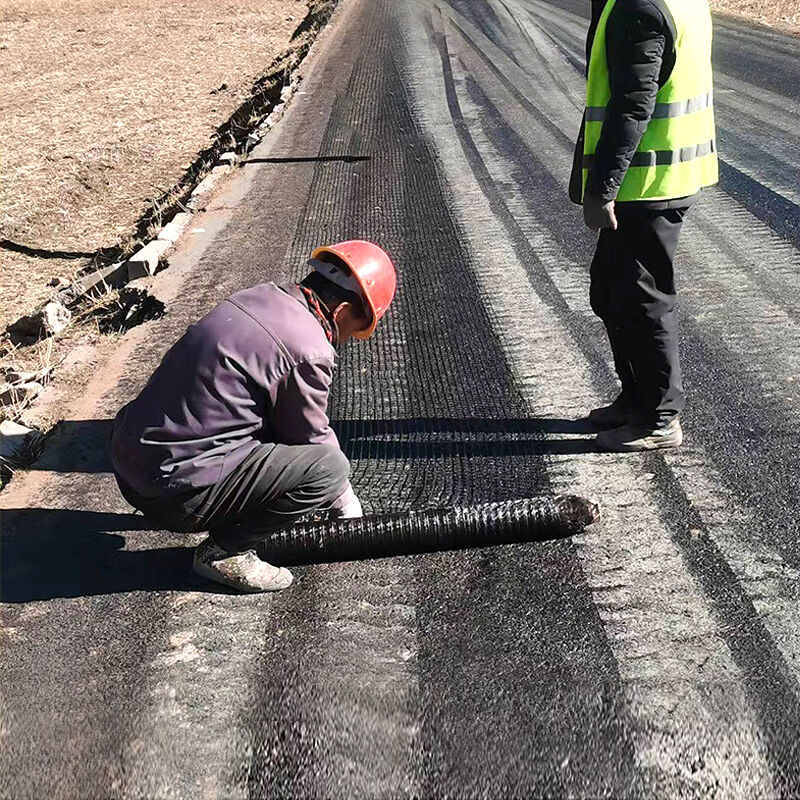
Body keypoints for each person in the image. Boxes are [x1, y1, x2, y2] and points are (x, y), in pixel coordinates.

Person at [110, 240, 397, 592]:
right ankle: (225, 552)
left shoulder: (258, 297)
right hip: (174, 496)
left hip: (128, 464)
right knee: (328, 468)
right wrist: (344, 501)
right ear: (340, 311)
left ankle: (180, 491)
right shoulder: (309, 347)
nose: (350, 338)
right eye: (356, 328)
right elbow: (310, 436)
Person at [570, 0, 718, 451]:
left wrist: (602, 190)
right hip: (657, 176)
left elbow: (634, 105)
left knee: (642, 298)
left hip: (648, 182)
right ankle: (636, 400)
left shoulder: (641, 8)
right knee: (611, 291)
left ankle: (658, 417)